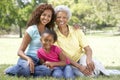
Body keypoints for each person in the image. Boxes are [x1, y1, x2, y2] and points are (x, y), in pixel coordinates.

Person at [54, 5, 112, 77]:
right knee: (87, 74)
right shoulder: (53, 35)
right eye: (58, 17)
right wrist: (79, 66)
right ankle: (98, 71)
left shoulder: (76, 30)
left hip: (81, 57)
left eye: (64, 17)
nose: (61, 19)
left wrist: (89, 59)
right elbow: (62, 55)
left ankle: (99, 69)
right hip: (69, 62)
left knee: (90, 67)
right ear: (55, 19)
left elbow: (88, 48)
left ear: (68, 19)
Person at [4, 3, 56, 77]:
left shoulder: (48, 31)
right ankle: (11, 70)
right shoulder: (32, 29)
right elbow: (20, 51)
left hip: (39, 61)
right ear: (39, 15)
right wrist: (29, 59)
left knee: (47, 71)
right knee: (25, 70)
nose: (46, 18)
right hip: (27, 58)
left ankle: (26, 71)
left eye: (49, 16)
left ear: (51, 18)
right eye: (44, 15)